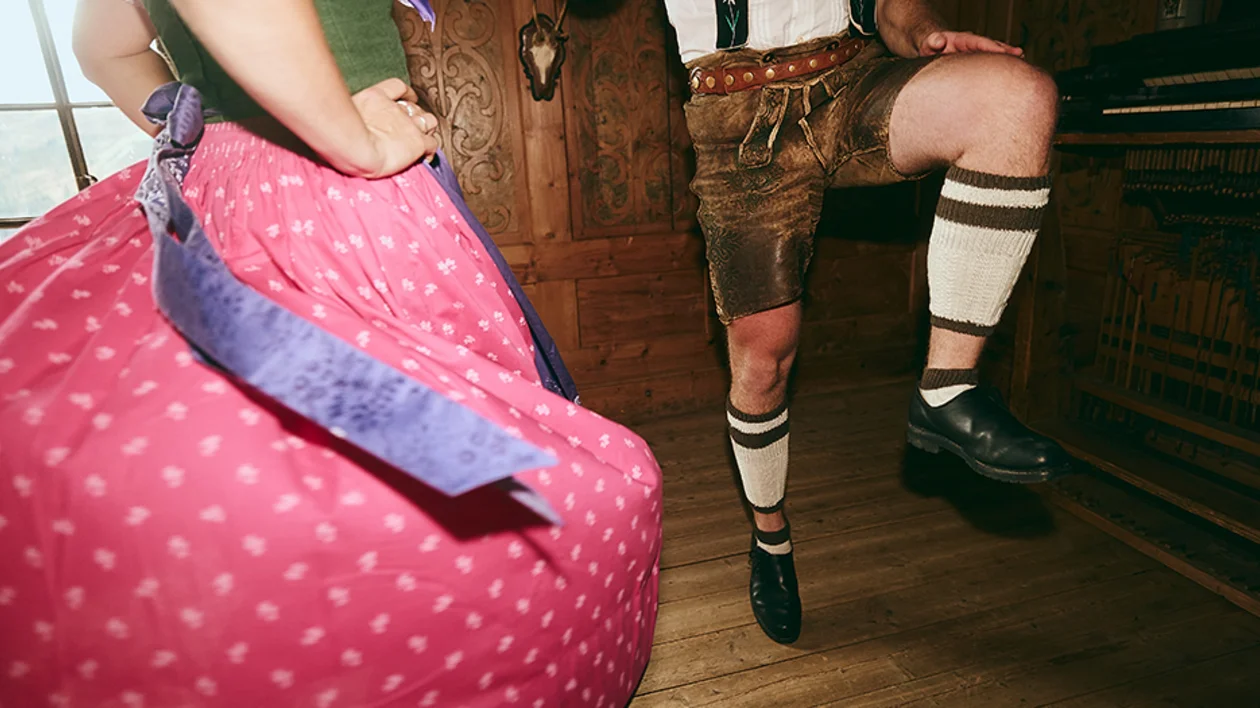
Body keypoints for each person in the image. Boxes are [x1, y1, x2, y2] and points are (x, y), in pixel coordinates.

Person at [0, 1, 661, 705]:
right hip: (340, 206)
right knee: (429, 486)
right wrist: (355, 141)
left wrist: (202, 131)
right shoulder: (350, 167)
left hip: (215, 191)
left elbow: (105, 50)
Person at [661, 0, 1074, 644]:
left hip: (854, 77)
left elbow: (887, 4)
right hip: (737, 107)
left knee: (1015, 95)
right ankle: (771, 540)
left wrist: (923, 34)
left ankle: (947, 387)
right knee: (765, 358)